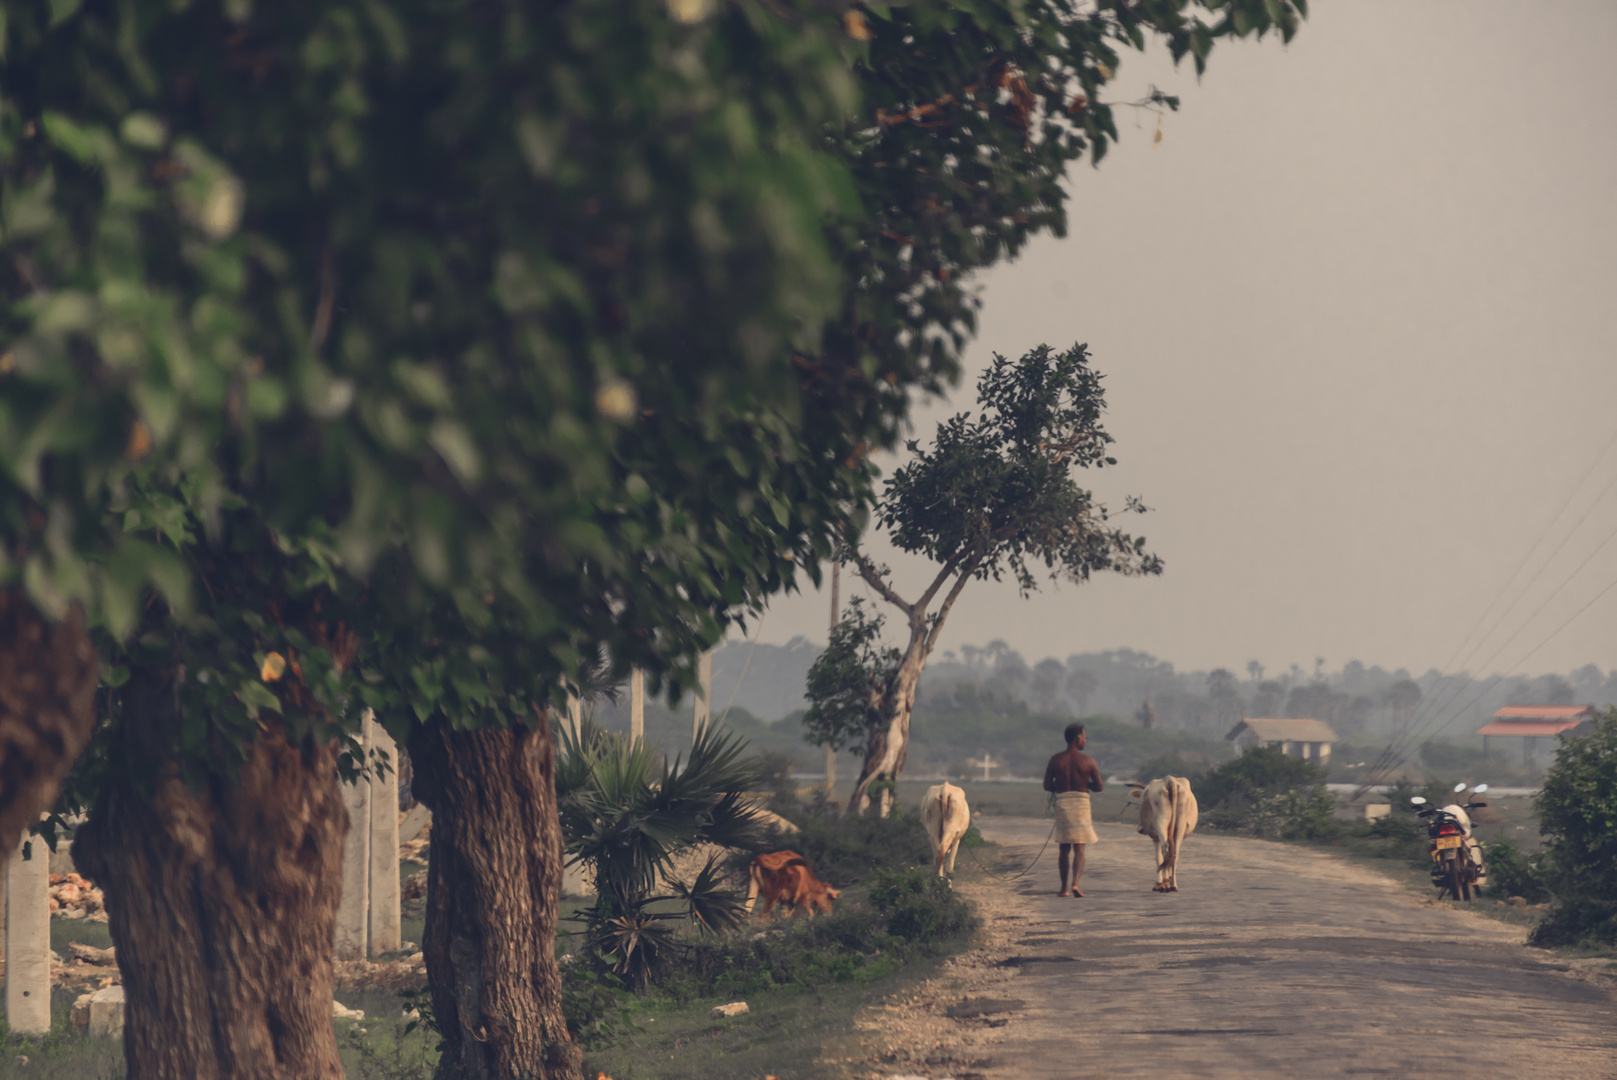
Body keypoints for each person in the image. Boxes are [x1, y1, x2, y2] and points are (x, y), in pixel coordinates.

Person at [1043, 721, 1103, 897]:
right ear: (1078, 739)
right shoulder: (1088, 761)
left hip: (1063, 803)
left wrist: (1061, 786)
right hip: (1082, 804)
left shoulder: (1055, 760)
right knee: (1080, 847)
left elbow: (1047, 785)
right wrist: (1084, 783)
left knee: (1064, 848)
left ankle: (1063, 888)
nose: (1085, 740)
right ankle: (1076, 883)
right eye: (1084, 737)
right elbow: (1099, 787)